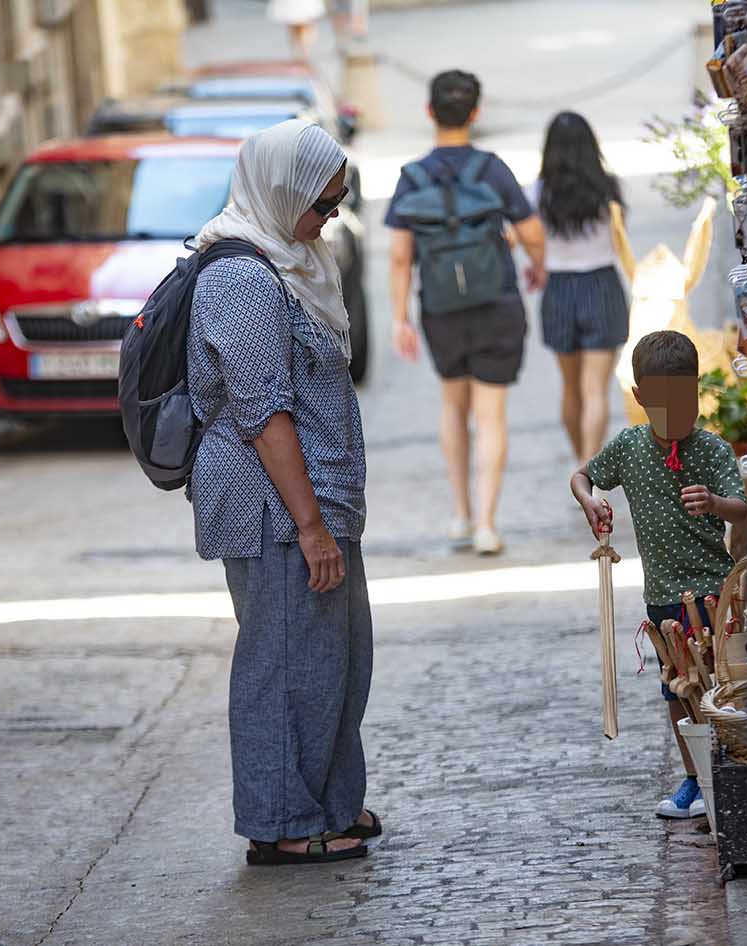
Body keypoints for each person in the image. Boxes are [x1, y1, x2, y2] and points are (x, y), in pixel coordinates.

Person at [188, 120, 380, 865]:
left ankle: (329, 802)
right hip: (273, 507)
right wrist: (309, 527)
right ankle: (282, 825)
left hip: (315, 498)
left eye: (337, 200)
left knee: (333, 658)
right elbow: (263, 414)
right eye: (321, 203)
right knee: (283, 664)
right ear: (281, 193)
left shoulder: (293, 258)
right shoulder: (240, 278)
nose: (330, 215)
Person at [570, 330, 747, 819]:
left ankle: (732, 771)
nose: (675, 415)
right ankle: (695, 778)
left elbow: (742, 509)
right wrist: (591, 502)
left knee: (721, 684)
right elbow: (582, 475)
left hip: (715, 591)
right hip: (664, 598)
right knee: (676, 687)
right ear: (641, 398)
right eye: (662, 404)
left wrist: (714, 503)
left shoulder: (712, 451)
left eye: (684, 400)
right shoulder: (629, 449)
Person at [386, 69, 548, 556]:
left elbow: (398, 255)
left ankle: (459, 514)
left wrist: (400, 318)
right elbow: (534, 233)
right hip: (495, 300)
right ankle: (487, 524)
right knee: (491, 415)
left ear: (429, 112)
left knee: (452, 406)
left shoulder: (411, 177)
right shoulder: (493, 169)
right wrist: (537, 266)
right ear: (475, 113)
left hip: (440, 309)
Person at [527, 112, 633, 468]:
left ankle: (579, 464)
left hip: (559, 290)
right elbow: (620, 242)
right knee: (595, 390)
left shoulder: (539, 193)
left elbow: (531, 241)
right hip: (602, 284)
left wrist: (536, 264)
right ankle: (590, 471)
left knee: (570, 388)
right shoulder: (610, 189)